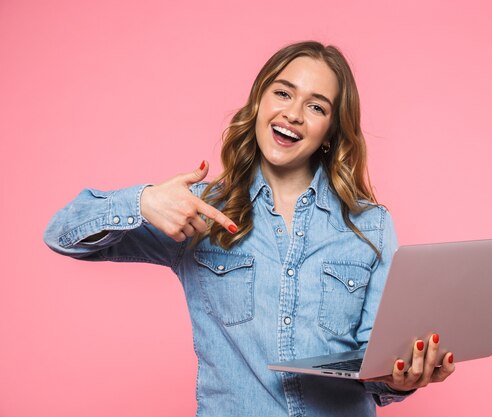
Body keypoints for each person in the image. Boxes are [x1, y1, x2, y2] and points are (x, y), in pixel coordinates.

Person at [44, 41, 455, 416]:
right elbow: (62, 235)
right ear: (258, 102)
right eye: (283, 92)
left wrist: (403, 376)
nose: (293, 113)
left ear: (331, 131)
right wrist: (143, 201)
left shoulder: (370, 224)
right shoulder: (198, 211)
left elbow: (375, 368)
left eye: (316, 106)